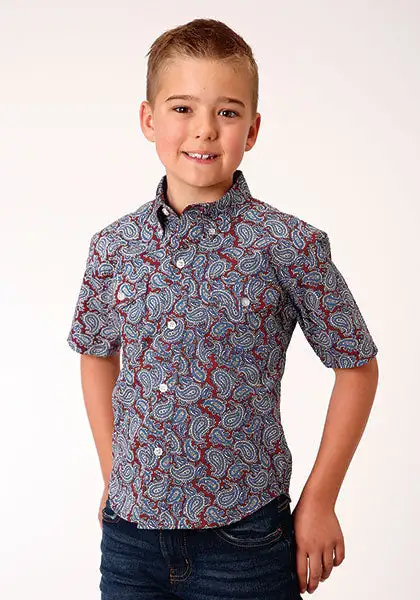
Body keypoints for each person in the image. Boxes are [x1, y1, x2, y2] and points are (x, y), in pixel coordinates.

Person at [67, 17, 379, 600]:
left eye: (228, 112)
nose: (205, 130)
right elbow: (95, 354)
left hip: (245, 541)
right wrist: (115, 472)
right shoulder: (114, 246)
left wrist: (320, 500)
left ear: (253, 129)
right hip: (130, 542)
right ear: (148, 119)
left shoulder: (288, 244)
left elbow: (357, 367)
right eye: (182, 108)